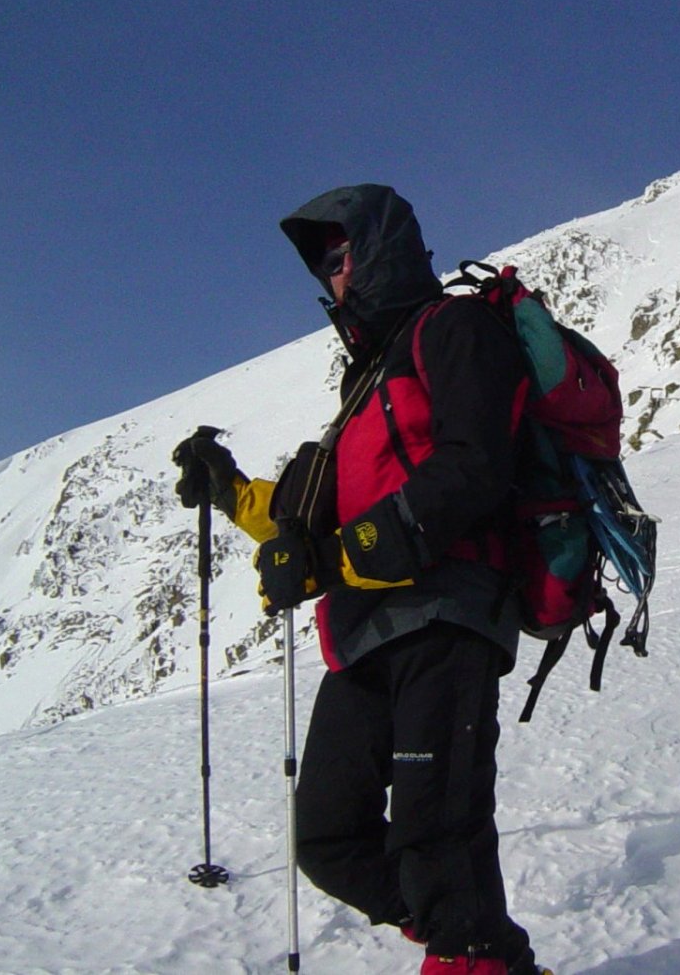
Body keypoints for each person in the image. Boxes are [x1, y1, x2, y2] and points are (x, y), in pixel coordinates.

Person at [173, 184, 549, 975]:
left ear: (380, 251)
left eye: (341, 257)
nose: (332, 278)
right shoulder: (364, 387)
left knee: (435, 830)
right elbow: (311, 520)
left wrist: (350, 549)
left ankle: (469, 949)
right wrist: (231, 487)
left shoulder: (454, 331)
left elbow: (475, 464)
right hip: (364, 635)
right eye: (324, 266)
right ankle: (479, 941)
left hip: (448, 613)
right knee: (328, 836)